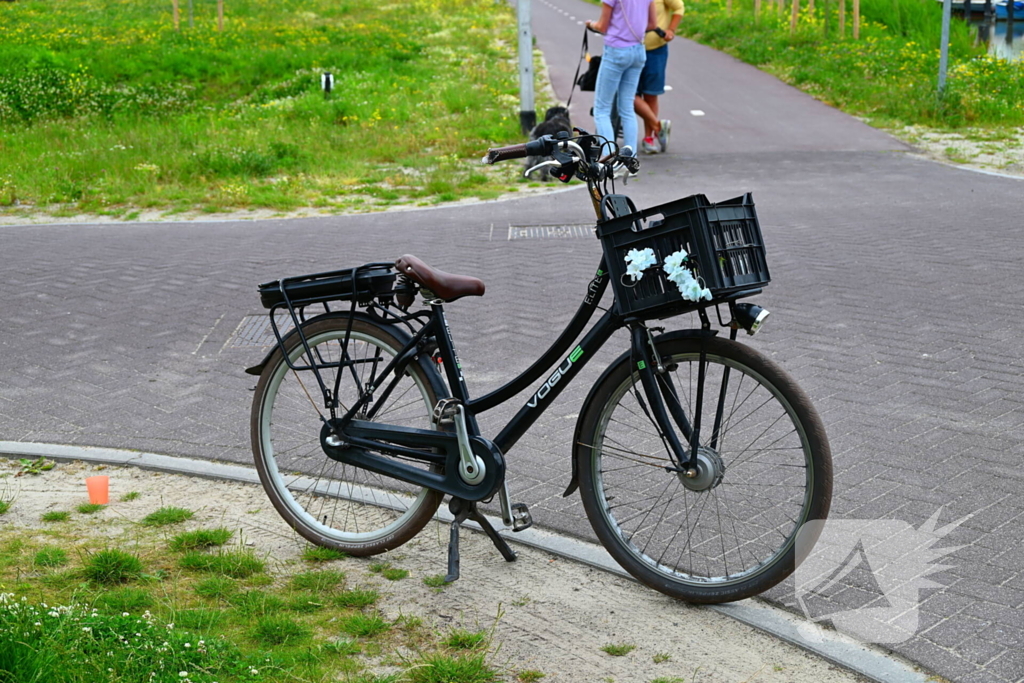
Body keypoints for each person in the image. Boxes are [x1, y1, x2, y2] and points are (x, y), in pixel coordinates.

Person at [586, 0, 656, 157]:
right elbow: (652, 24)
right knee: (627, 107)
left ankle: (609, 159)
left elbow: (602, 26)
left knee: (602, 109)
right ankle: (630, 160)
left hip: (616, 51)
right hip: (638, 51)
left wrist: (591, 24)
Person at [636, 0, 684, 154]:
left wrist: (671, 29)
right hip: (629, 48)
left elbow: (678, 7)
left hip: (655, 50)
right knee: (627, 94)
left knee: (650, 94)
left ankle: (649, 138)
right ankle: (658, 126)